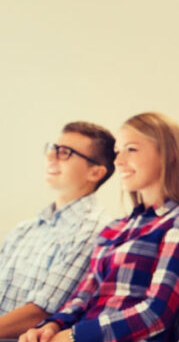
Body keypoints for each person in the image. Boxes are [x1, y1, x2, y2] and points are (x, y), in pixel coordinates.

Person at [20, 112, 179, 342]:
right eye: (118, 152)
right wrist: (51, 325)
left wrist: (74, 336)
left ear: (169, 154)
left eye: (131, 149)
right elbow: (83, 296)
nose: (118, 161)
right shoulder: (114, 228)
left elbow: (156, 315)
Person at [0, 122, 114, 338]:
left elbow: (40, 314)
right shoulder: (25, 229)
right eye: (53, 148)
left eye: (65, 153)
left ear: (95, 172)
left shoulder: (97, 231)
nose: (51, 157)